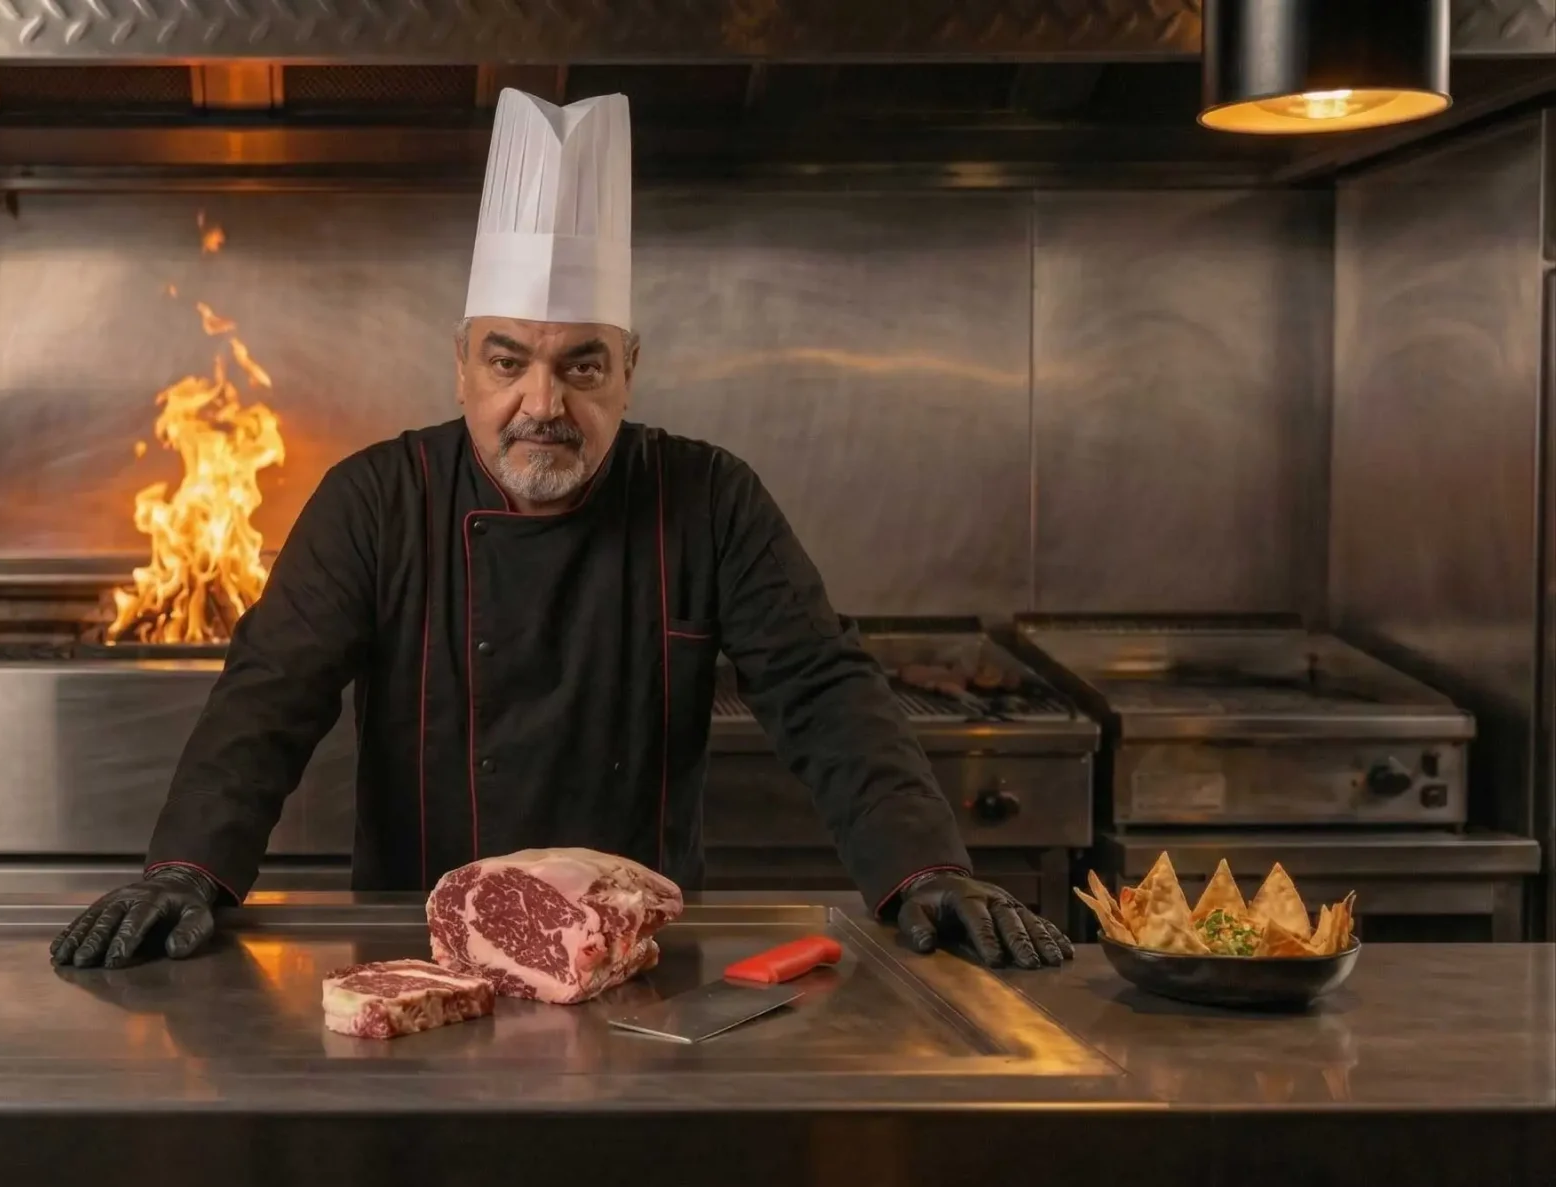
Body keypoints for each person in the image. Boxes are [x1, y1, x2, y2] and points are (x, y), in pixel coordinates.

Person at [52, 90, 1070, 972]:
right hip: (420, 956)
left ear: (628, 366)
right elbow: (268, 695)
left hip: (641, 961)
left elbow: (822, 689)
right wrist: (187, 868)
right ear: (461, 367)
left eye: (580, 365)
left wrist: (923, 869)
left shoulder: (709, 498)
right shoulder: (375, 501)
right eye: (507, 363)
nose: (541, 402)